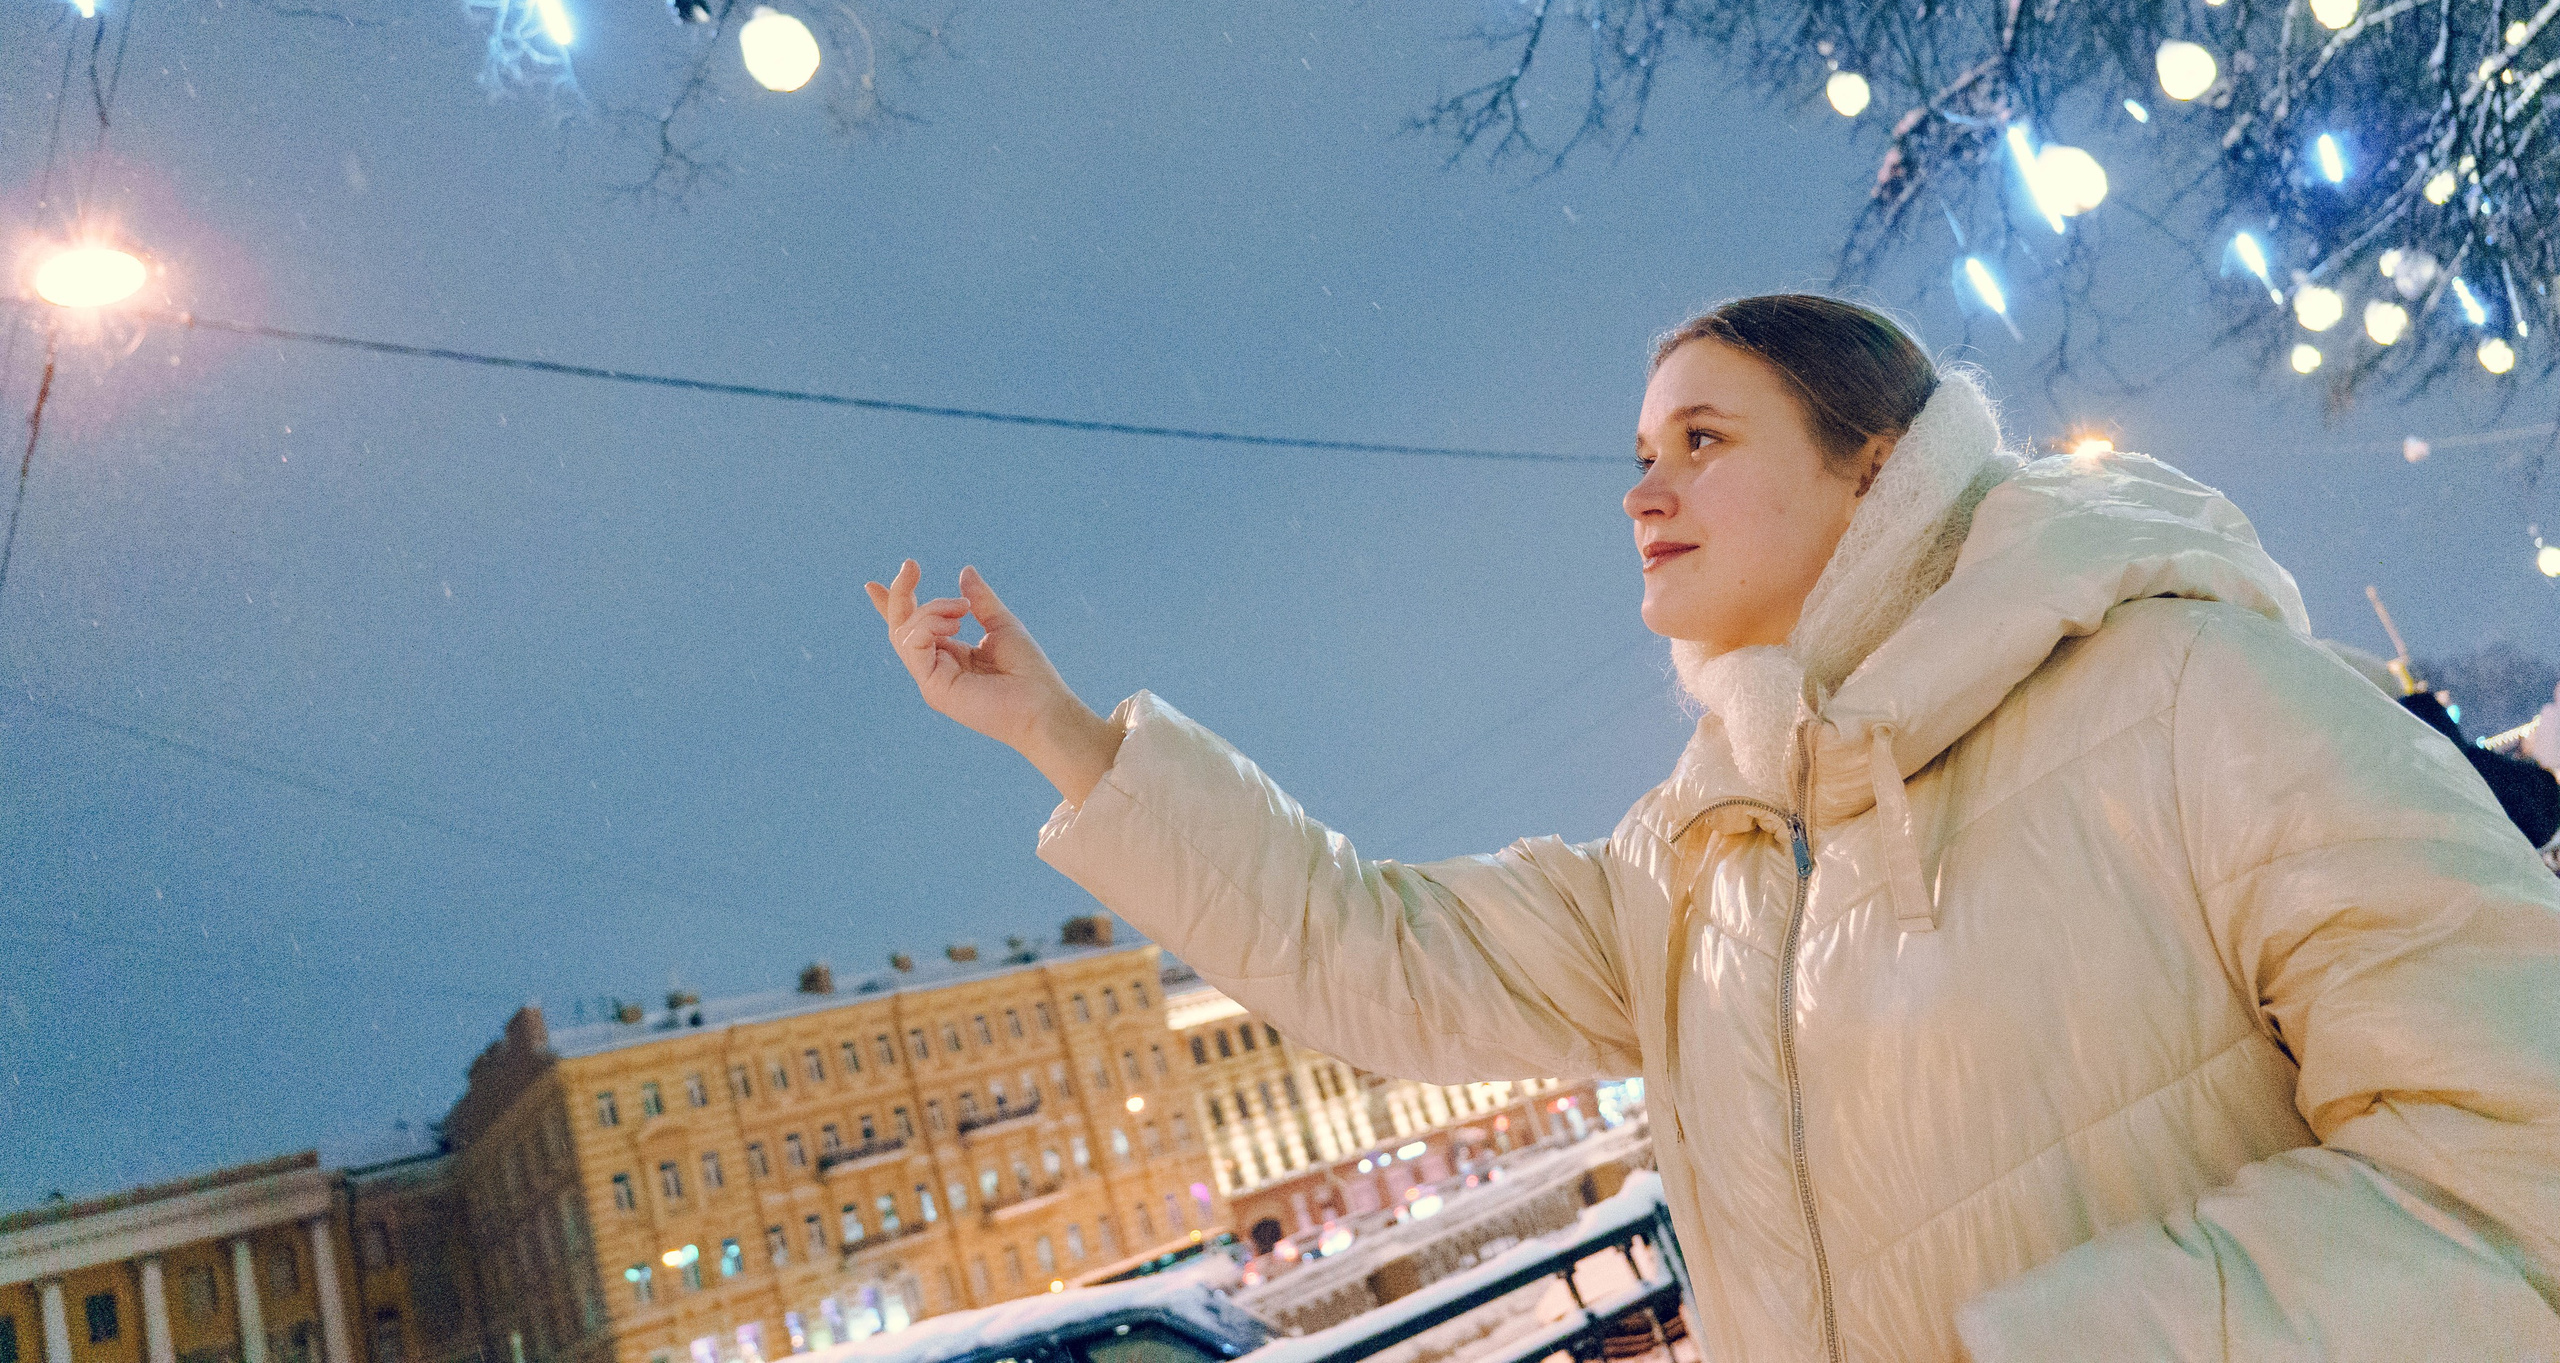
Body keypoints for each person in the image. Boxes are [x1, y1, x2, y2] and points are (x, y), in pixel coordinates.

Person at [868, 294, 2560, 1362]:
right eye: (1635, 451)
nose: (1639, 490)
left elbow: (2514, 1167)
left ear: (1876, 467)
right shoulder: (1705, 859)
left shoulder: (2195, 695)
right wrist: (1064, 738)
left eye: (1700, 438)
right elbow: (1369, 955)